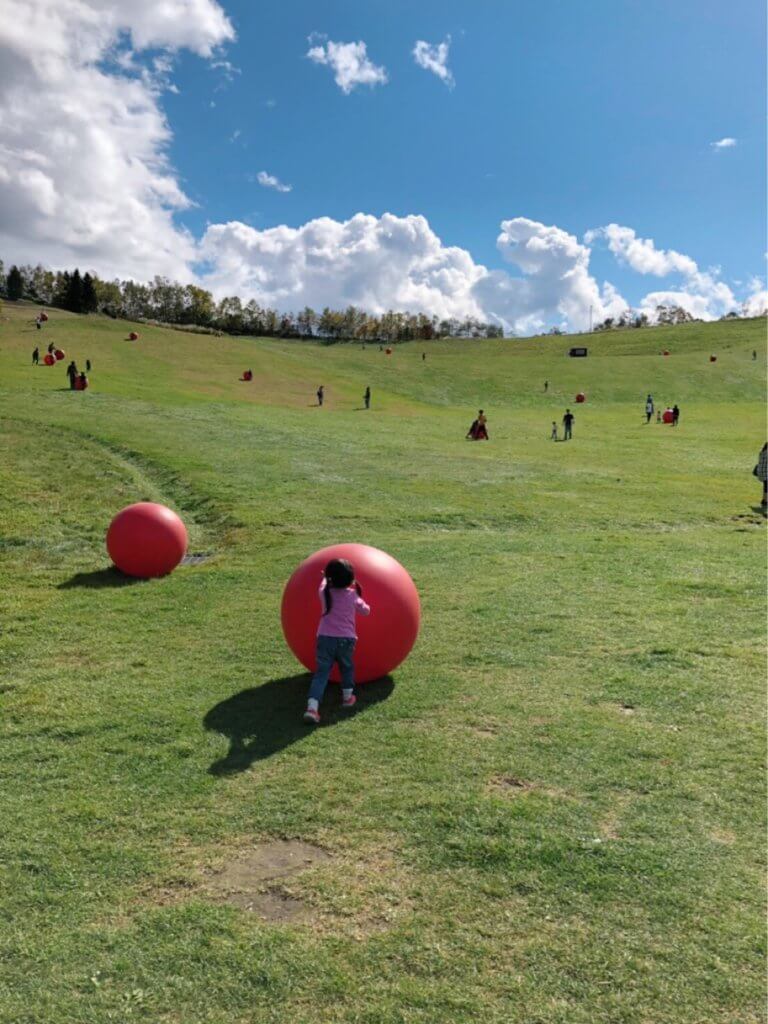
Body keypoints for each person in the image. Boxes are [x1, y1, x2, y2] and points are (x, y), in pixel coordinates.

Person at [304, 559, 371, 724]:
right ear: (350, 579)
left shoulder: (324, 593)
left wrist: (325, 578)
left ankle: (312, 708)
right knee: (346, 667)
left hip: (325, 639)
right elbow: (366, 611)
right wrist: (364, 604)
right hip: (345, 641)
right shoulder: (352, 595)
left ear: (330, 578)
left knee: (321, 674)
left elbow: (323, 585)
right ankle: (348, 698)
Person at [754, 443, 767, 509]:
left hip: (760, 473)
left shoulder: (762, 452)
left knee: (766, 486)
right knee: (766, 487)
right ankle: (765, 500)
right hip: (765, 473)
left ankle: (764, 500)